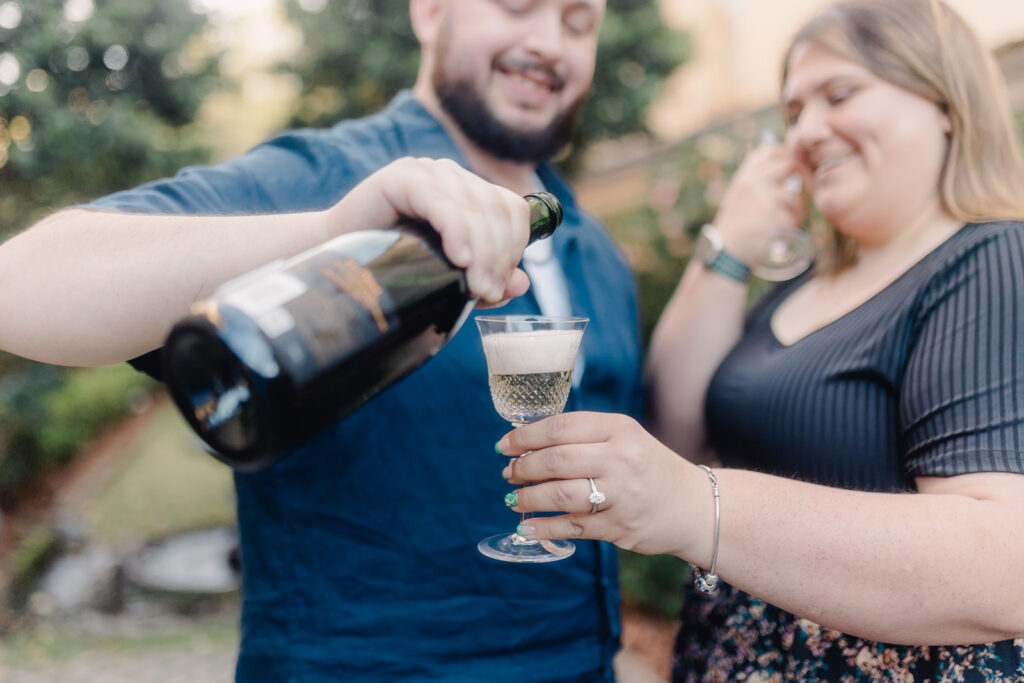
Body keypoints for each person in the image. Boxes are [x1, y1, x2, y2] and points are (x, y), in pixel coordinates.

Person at [0, 0, 645, 680]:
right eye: (518, 5)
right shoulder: (323, 176)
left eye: (579, 22)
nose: (550, 43)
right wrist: (330, 231)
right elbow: (19, 286)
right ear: (430, 12)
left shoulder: (596, 248)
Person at [494, 0, 1024, 679]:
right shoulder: (799, 286)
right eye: (794, 111)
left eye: (840, 94)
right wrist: (725, 251)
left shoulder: (992, 260)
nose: (807, 132)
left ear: (944, 101)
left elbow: (1005, 565)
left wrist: (695, 505)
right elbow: (676, 433)